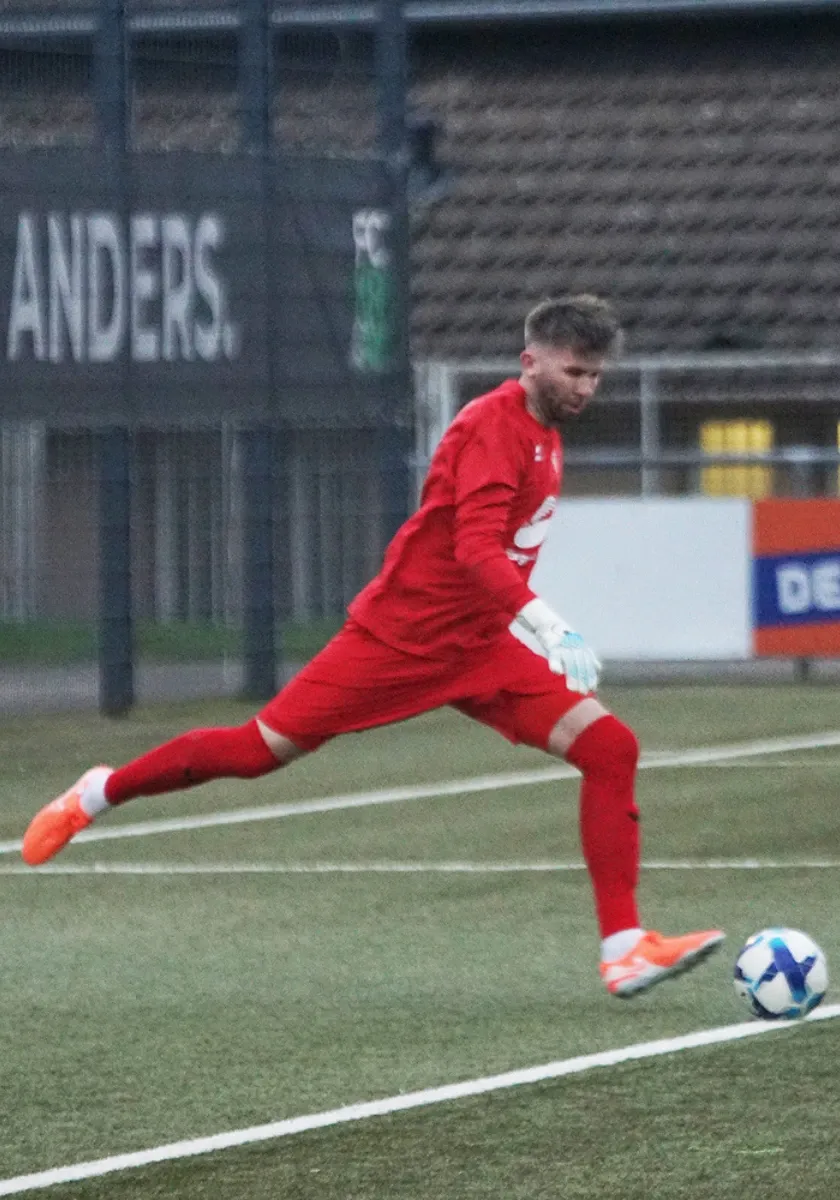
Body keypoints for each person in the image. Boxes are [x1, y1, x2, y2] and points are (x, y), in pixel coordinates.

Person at [22, 294, 724, 997]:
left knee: (610, 748)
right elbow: (475, 546)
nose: (585, 388)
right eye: (574, 372)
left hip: (479, 647)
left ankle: (625, 948)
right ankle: (98, 792)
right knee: (255, 752)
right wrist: (544, 622)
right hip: (401, 639)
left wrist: (517, 626)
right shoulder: (492, 426)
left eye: (595, 376)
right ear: (529, 361)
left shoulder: (547, 432)